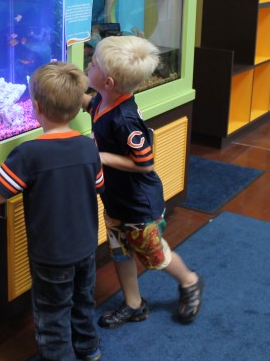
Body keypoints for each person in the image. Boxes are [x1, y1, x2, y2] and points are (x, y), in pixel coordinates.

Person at [0, 62, 105, 361]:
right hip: (85, 247)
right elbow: (98, 185)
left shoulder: (29, 153)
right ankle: (90, 349)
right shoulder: (88, 146)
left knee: (52, 314)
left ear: (35, 107)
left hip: (51, 256)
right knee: (83, 302)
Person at [83, 35, 203, 328]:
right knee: (120, 250)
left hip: (139, 205)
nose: (88, 63)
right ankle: (134, 304)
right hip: (115, 198)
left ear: (108, 82)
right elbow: (90, 105)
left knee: (154, 254)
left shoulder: (124, 120)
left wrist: (101, 157)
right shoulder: (104, 100)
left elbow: (145, 163)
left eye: (93, 63)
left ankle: (190, 280)